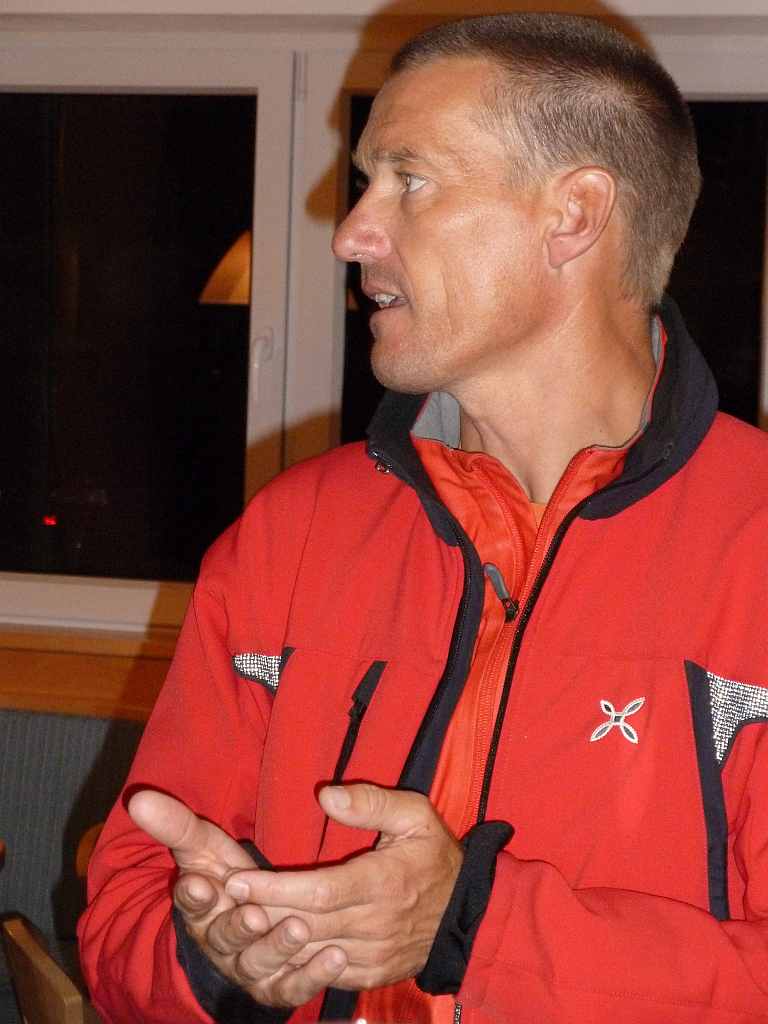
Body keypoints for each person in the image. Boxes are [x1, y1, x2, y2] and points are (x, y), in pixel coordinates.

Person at [78, 12, 768, 1024]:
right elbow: (124, 916)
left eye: (410, 180)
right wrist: (218, 961)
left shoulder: (752, 548)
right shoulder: (289, 536)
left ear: (573, 215)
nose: (351, 232)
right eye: (368, 183)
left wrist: (476, 929)